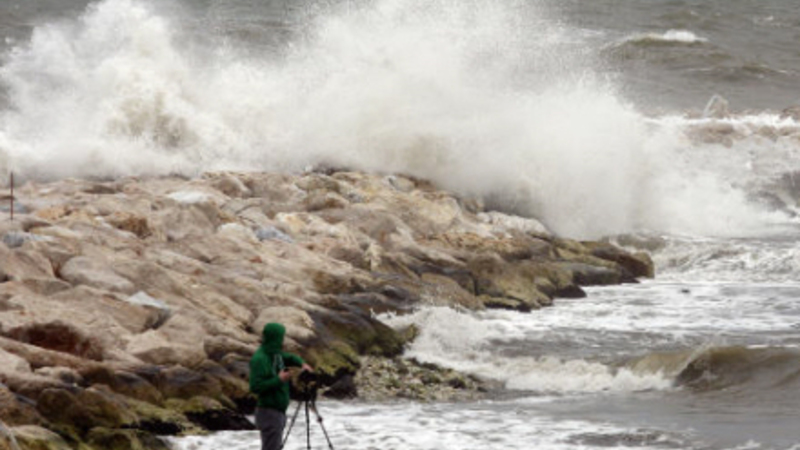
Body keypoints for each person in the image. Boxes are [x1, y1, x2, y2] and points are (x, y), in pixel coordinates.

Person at [250, 322, 313, 450]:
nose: (283, 341)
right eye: (281, 338)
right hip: (268, 412)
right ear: (274, 338)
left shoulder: (275, 354)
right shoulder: (260, 359)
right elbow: (255, 387)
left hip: (278, 411)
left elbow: (289, 357)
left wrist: (302, 364)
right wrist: (279, 380)